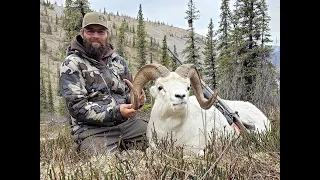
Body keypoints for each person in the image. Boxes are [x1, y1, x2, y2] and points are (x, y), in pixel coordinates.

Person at [59, 11, 148, 155]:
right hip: (92, 130)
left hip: (127, 124)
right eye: (90, 31)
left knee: (161, 138)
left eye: (100, 32)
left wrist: (137, 101)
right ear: (82, 33)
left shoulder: (118, 61)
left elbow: (129, 94)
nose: (95, 36)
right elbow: (77, 108)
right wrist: (117, 112)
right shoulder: (72, 64)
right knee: (102, 164)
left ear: (107, 34)